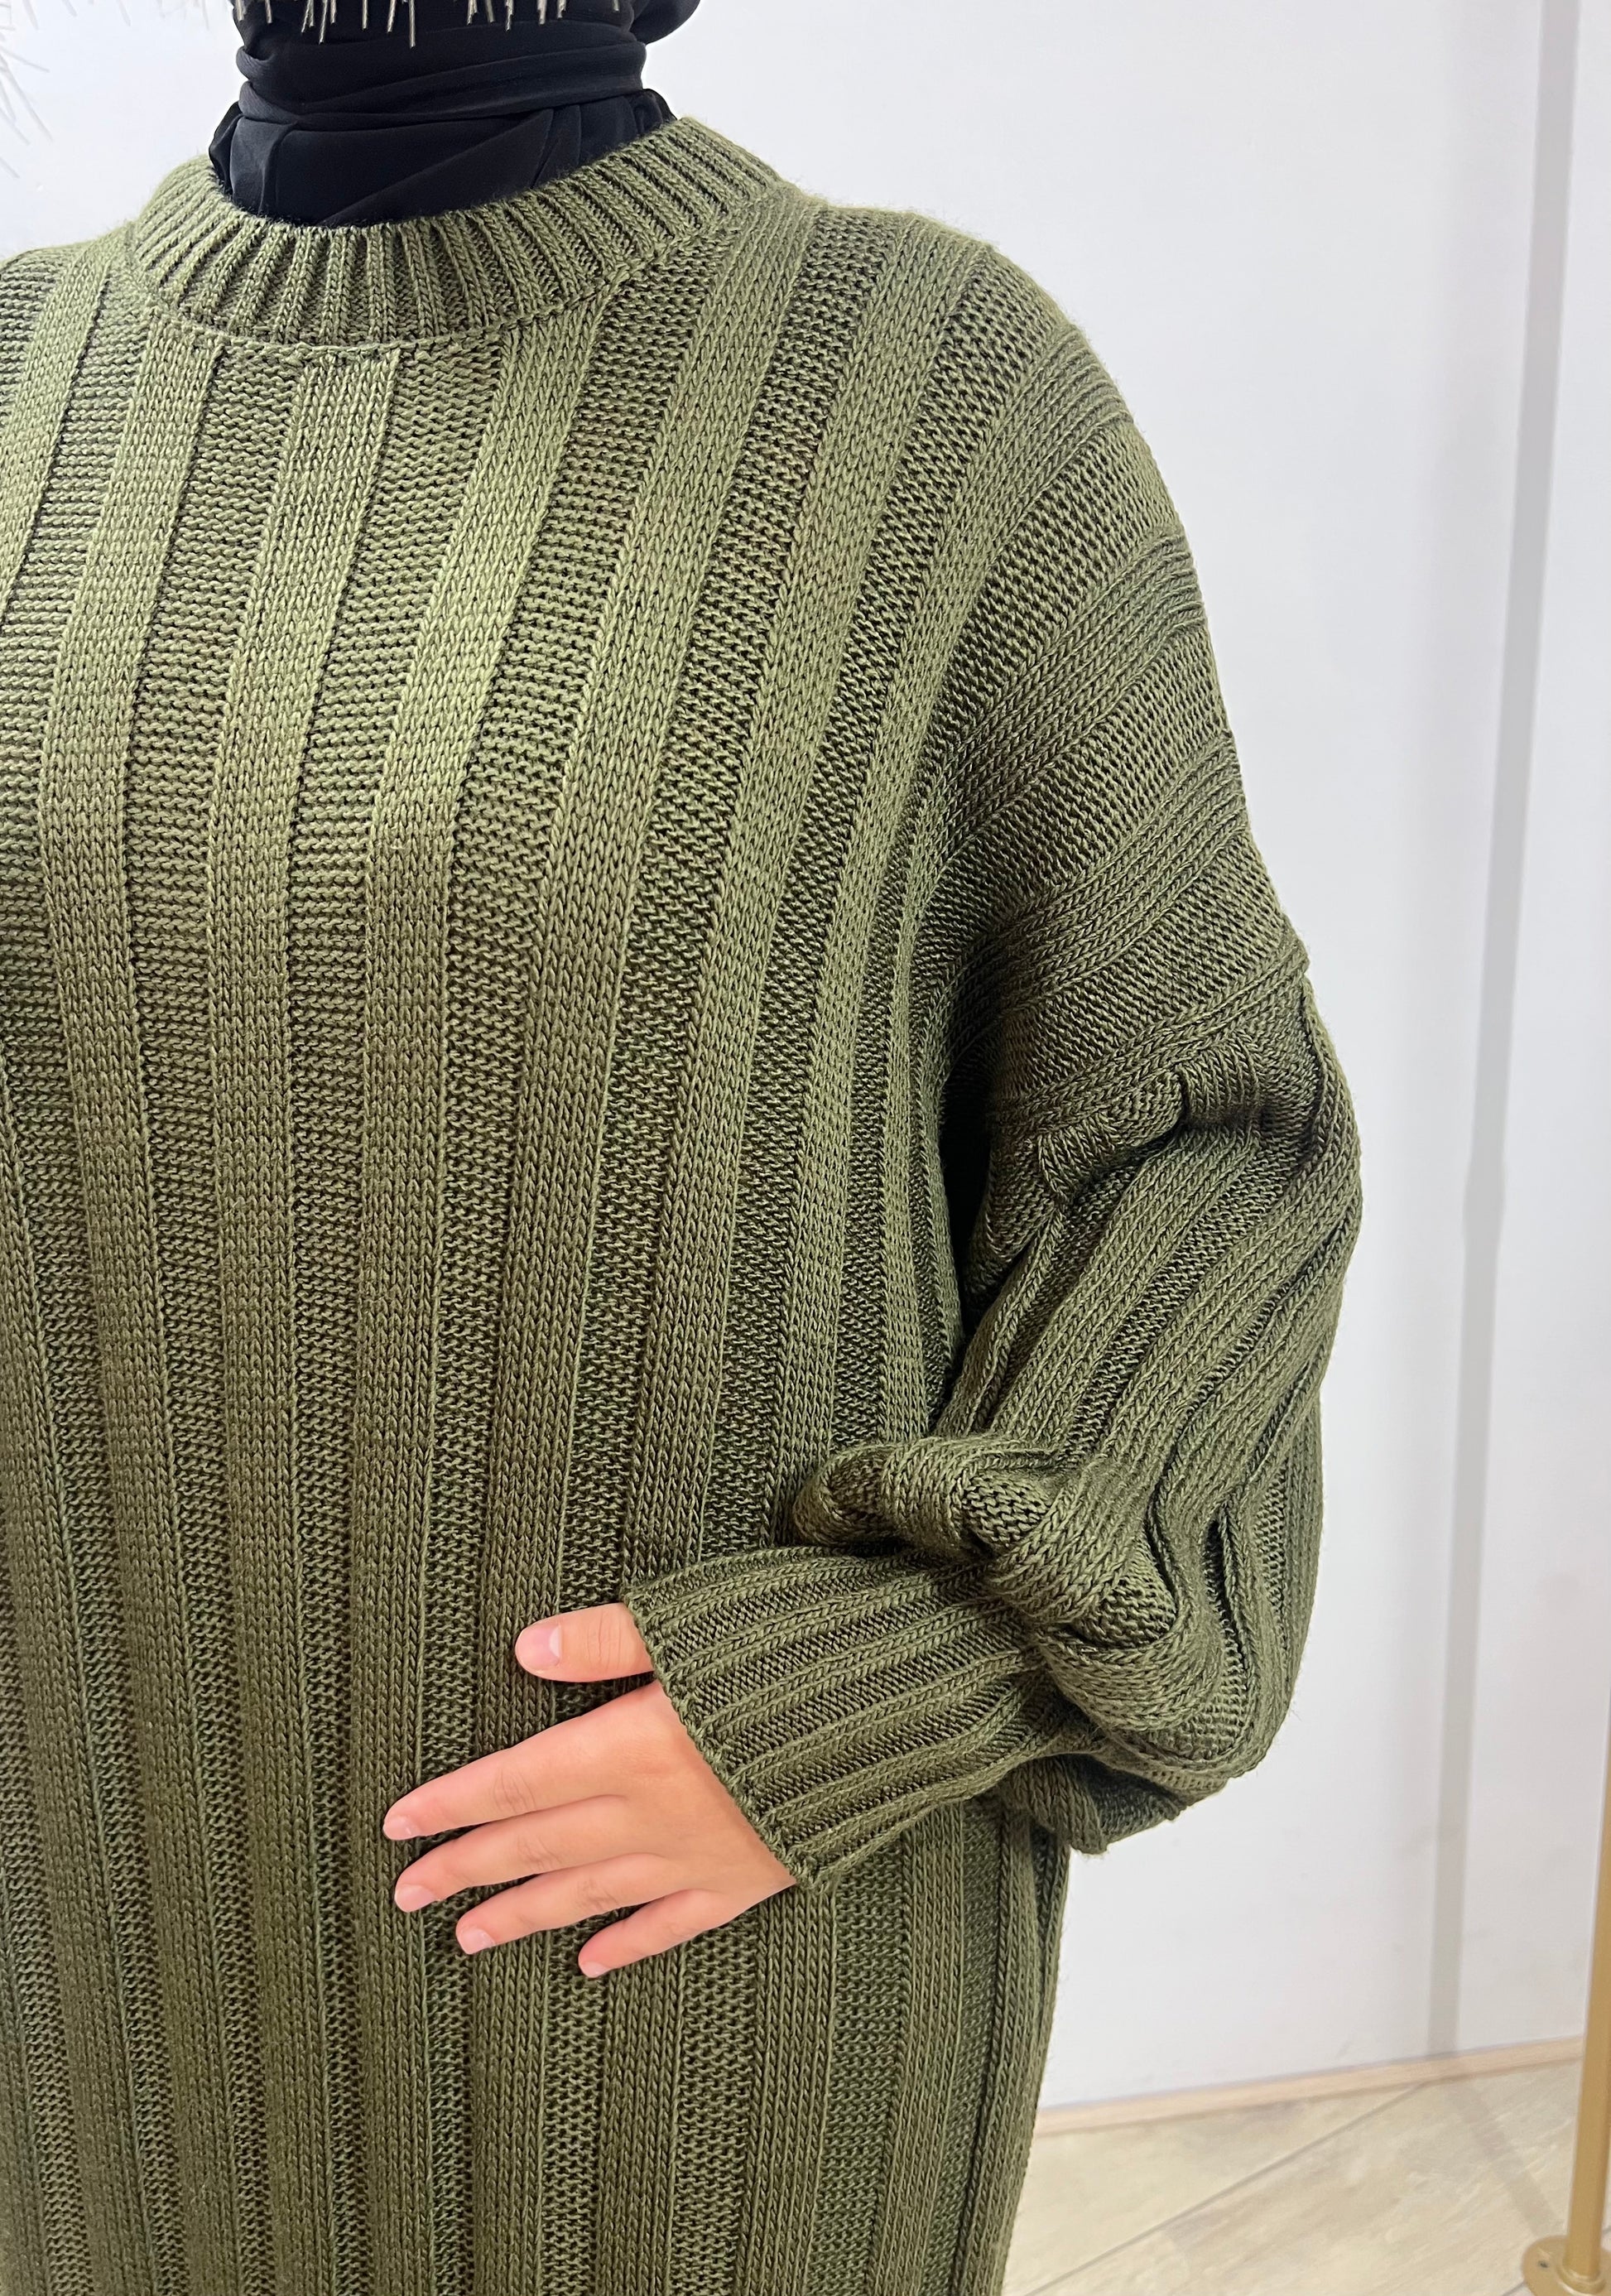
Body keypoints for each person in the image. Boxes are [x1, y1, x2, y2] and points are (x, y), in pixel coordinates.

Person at [0, 2, 1363, 2291]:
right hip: (74, 1947)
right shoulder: (19, 377)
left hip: (689, 1984)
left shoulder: (927, 392)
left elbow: (1203, 1144)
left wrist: (899, 1674)